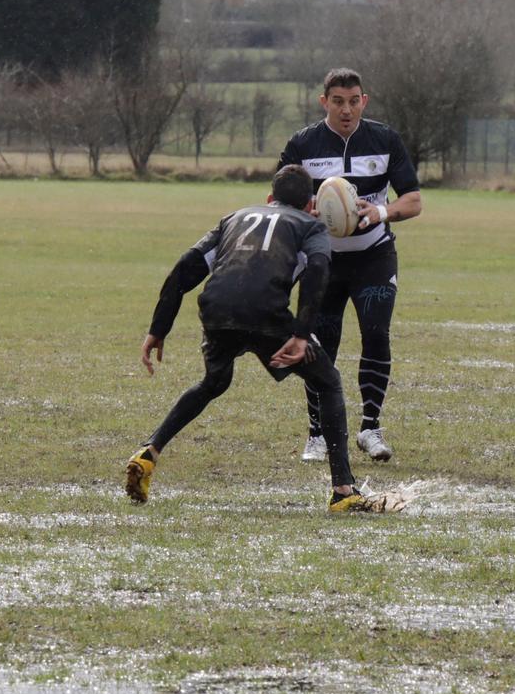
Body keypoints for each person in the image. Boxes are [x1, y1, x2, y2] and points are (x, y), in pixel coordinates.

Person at [130, 164, 394, 513]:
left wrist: (158, 329)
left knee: (214, 382)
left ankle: (149, 453)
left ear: (270, 198)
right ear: (310, 204)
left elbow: (185, 267)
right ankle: (343, 490)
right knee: (328, 381)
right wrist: (301, 335)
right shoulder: (310, 224)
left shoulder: (234, 218)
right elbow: (317, 272)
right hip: (266, 311)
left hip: (217, 309)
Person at [277, 67, 422, 465]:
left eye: (353, 101)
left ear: (364, 101)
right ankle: (317, 433)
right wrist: (310, 209)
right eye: (338, 101)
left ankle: (370, 428)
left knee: (376, 333)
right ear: (324, 102)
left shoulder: (385, 139)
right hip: (322, 262)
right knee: (321, 344)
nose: (346, 109)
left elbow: (413, 200)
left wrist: (379, 212)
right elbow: (277, 201)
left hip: (374, 257)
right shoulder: (303, 144)